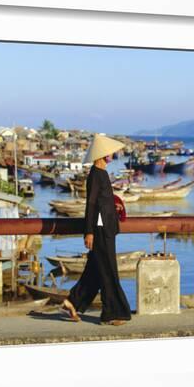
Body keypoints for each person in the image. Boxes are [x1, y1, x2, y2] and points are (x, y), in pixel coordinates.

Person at [61, 134, 132, 326]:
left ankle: (73, 302)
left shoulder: (102, 173)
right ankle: (111, 313)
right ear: (102, 155)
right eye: (109, 153)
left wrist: (114, 207)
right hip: (100, 230)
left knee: (95, 271)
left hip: (107, 226)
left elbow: (102, 202)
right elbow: (91, 205)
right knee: (108, 270)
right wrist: (89, 232)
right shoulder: (95, 174)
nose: (112, 155)